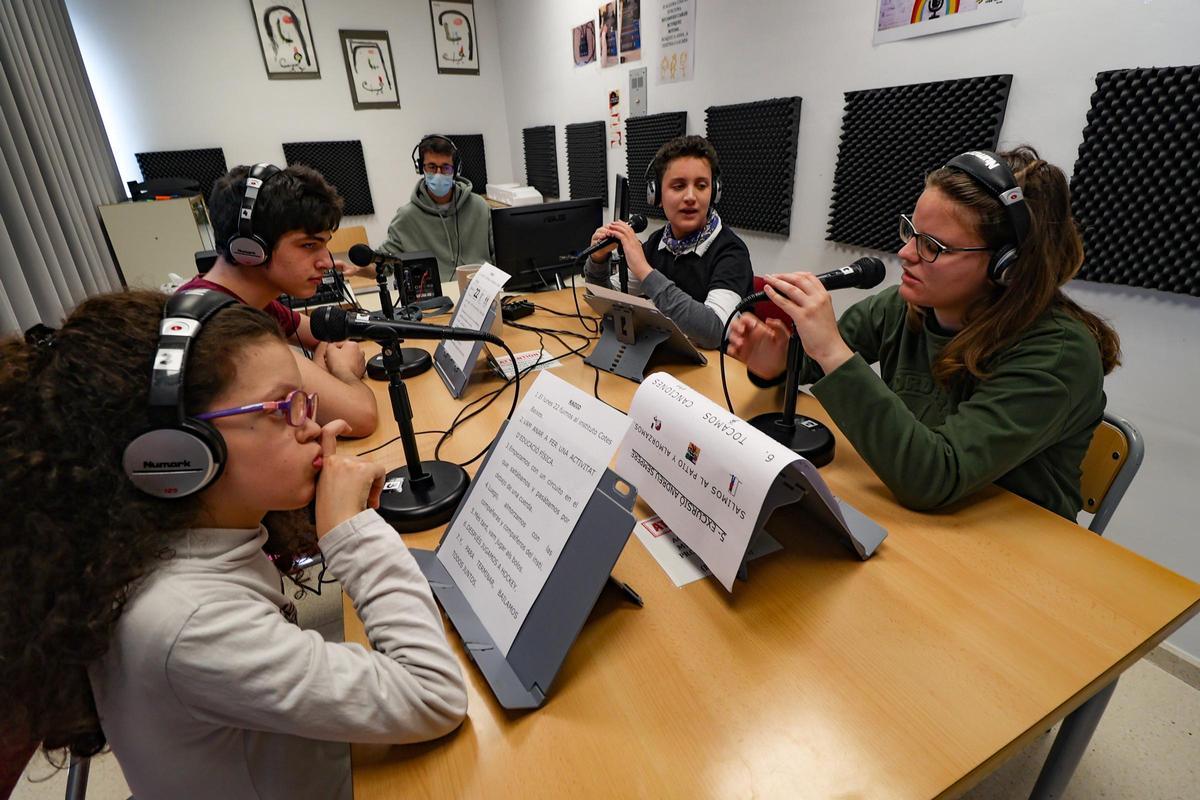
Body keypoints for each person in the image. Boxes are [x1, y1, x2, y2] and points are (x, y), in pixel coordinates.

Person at [0, 290, 467, 799]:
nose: (315, 426)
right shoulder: (189, 621)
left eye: (305, 402)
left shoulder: (176, 544)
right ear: (177, 451)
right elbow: (433, 694)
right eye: (285, 408)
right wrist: (352, 531)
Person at [727, 146, 1121, 520]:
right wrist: (779, 361)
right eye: (911, 231)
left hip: (1017, 545)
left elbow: (934, 476)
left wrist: (830, 349)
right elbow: (815, 368)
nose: (906, 253)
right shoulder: (905, 306)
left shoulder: (1059, 353)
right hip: (930, 522)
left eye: (933, 245)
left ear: (1007, 267)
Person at [184, 163, 378, 437]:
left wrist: (318, 372)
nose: (326, 262)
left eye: (324, 244)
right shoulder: (225, 328)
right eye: (308, 245)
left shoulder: (244, 299)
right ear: (251, 248)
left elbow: (324, 334)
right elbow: (361, 417)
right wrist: (343, 371)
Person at [585, 134, 753, 349]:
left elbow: (714, 332)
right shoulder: (657, 242)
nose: (691, 196)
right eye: (678, 186)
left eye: (701, 185)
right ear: (656, 195)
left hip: (719, 367)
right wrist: (598, 260)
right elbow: (609, 302)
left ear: (714, 192)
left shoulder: (731, 252)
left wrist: (644, 270)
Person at [380, 134, 494, 282]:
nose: (439, 174)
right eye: (432, 167)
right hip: (434, 294)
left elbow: (502, 254)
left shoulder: (479, 207)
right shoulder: (406, 217)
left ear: (455, 169)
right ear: (421, 168)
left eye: (446, 167)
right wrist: (357, 268)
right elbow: (384, 264)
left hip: (480, 288)